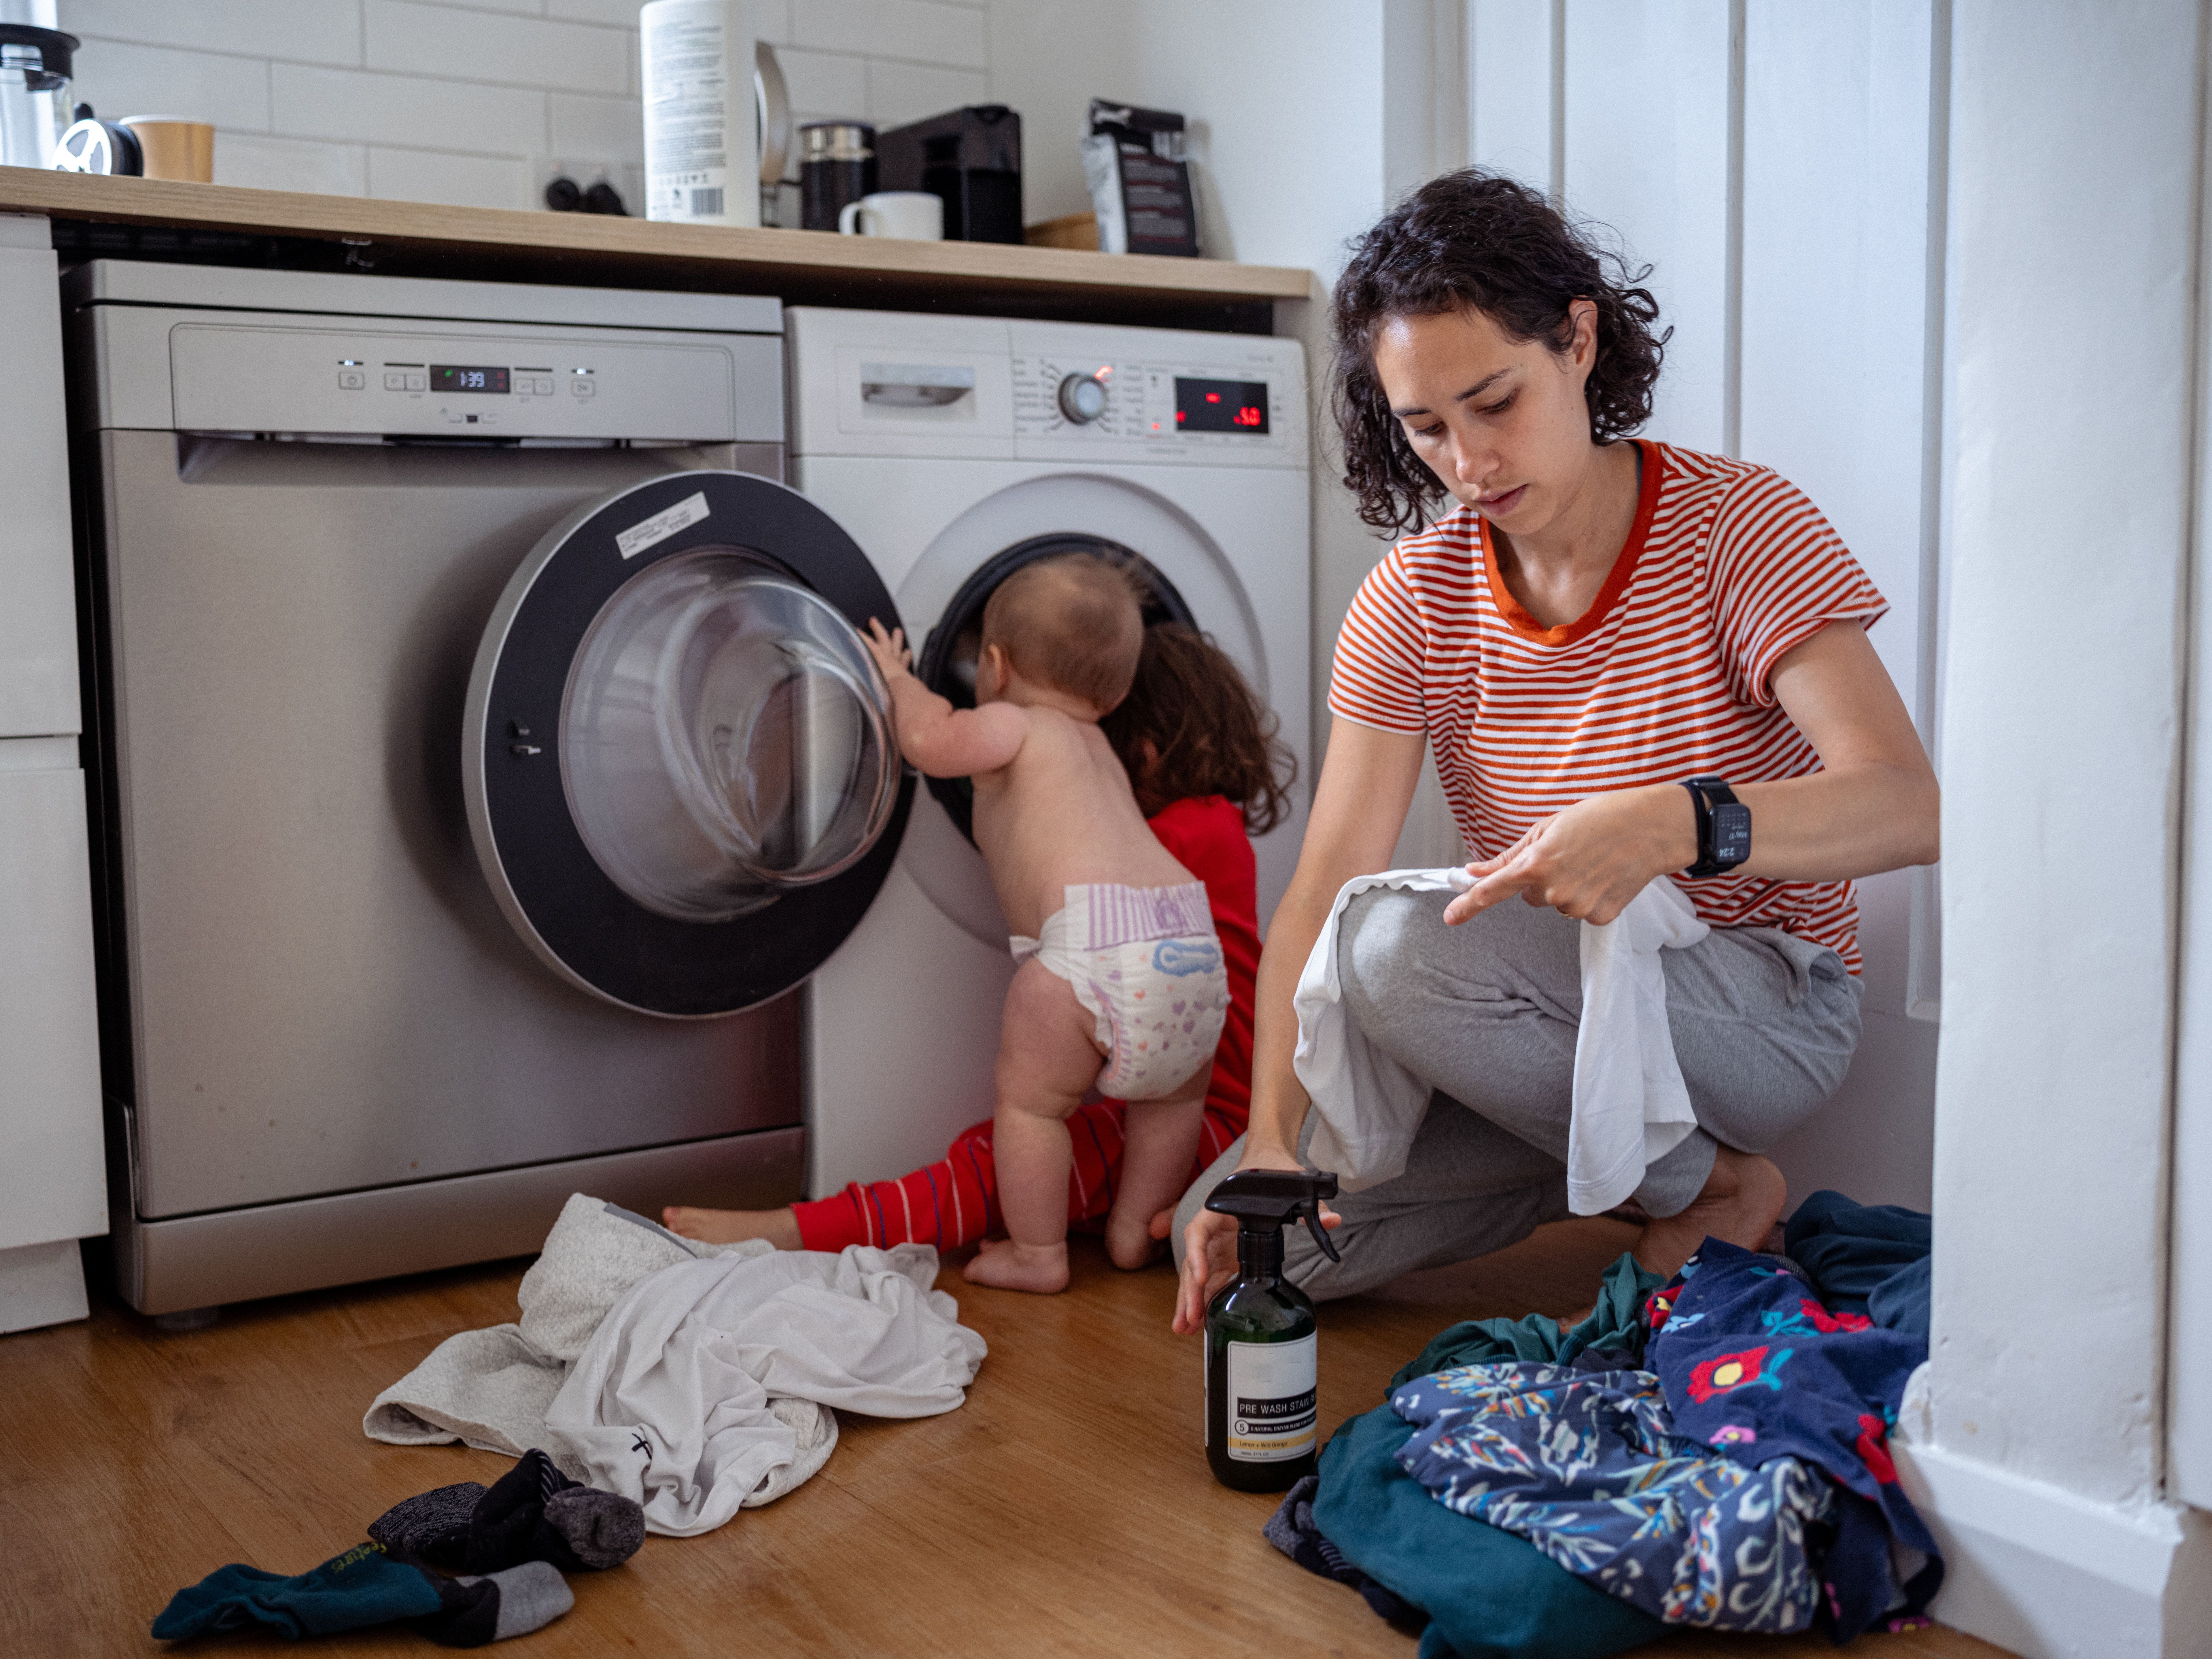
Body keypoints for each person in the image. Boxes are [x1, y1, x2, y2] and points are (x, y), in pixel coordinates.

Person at [1171, 169, 1941, 1335]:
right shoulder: (1413, 597)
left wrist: (1671, 824)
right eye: (1424, 426)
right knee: (1256, 1254)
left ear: (1576, 340)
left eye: (1493, 401)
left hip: (1758, 1006)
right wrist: (1273, 1142)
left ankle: (1714, 1181)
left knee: (1390, 948)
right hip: (1542, 1021)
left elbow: (1905, 806)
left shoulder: (1739, 527)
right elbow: (1319, 884)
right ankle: (1637, 1173)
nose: (1467, 461)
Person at [666, 622, 1292, 1267]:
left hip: (1226, 1136)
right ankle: (1128, 1236)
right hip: (1199, 1095)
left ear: (1147, 752)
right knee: (1035, 1149)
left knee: (999, 1161)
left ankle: (806, 1229)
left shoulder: (1167, 836)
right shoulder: (1212, 830)